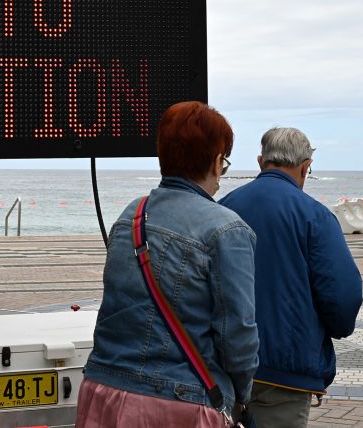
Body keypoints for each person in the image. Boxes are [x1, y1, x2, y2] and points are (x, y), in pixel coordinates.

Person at [78, 101, 258, 427]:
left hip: (103, 392)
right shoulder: (227, 230)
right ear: (217, 162)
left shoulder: (130, 217)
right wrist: (240, 396)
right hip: (180, 403)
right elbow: (238, 336)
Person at [220, 127, 362, 428]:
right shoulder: (316, 216)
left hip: (224, 367)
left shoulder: (224, 208)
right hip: (286, 373)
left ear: (261, 162)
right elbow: (343, 296)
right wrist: (333, 331)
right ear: (305, 167)